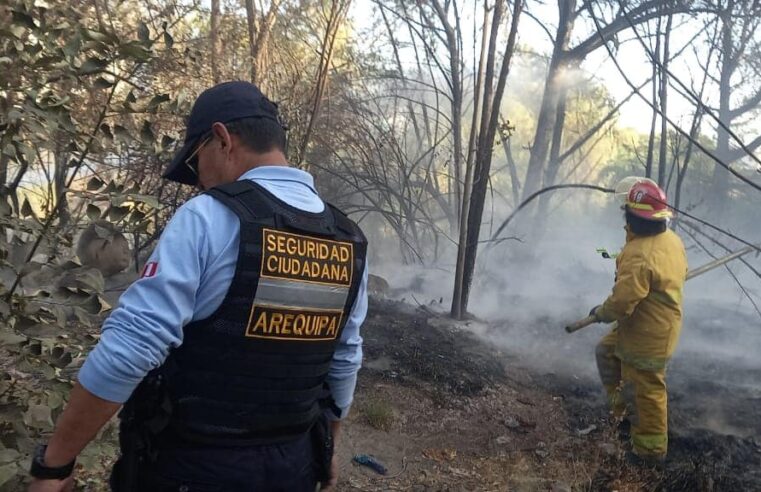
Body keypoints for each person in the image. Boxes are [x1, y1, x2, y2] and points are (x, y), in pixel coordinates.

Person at [28, 81, 369, 492]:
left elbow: (131, 348)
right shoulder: (347, 238)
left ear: (222, 139)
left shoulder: (208, 218)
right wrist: (327, 451)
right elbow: (345, 358)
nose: (199, 182)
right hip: (293, 466)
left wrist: (54, 466)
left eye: (195, 163)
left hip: (193, 469)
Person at [590, 179, 687, 467]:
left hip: (648, 334)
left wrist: (602, 312)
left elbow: (621, 302)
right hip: (644, 322)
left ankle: (649, 452)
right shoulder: (671, 241)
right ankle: (622, 413)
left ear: (632, 216)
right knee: (606, 352)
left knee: (646, 389)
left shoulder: (639, 254)